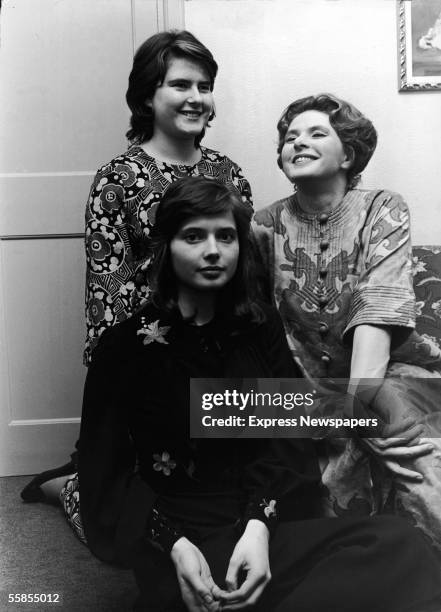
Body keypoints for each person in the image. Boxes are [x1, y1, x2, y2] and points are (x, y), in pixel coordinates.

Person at [78, 176, 440, 611]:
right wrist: (173, 543)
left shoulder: (256, 327)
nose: (213, 250)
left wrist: (259, 524)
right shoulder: (123, 347)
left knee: (399, 543)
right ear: (165, 247)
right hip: (182, 540)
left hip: (258, 521)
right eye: (194, 236)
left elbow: (284, 434)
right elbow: (104, 473)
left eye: (225, 236)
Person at [20, 29, 252, 520]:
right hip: (149, 361)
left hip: (220, 356)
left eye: (205, 86)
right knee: (134, 525)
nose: (196, 98)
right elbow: (107, 293)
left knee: (232, 495)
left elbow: (244, 277)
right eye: (181, 84)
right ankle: (69, 487)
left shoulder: (230, 176)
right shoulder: (118, 178)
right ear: (148, 95)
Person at [252, 93, 441, 554]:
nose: (298, 142)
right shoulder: (261, 226)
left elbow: (377, 313)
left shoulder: (383, 208)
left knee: (411, 448)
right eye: (290, 137)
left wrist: (357, 408)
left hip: (387, 373)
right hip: (302, 386)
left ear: (349, 154)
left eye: (317, 133)